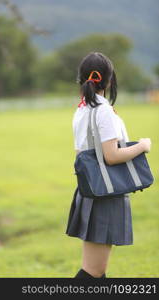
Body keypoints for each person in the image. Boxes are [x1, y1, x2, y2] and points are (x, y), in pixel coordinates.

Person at [65, 52, 151, 278]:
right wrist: (143, 145)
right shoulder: (103, 110)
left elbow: (81, 153)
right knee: (93, 272)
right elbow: (111, 156)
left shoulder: (81, 109)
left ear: (82, 79)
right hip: (105, 193)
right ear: (109, 80)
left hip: (91, 190)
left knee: (96, 271)